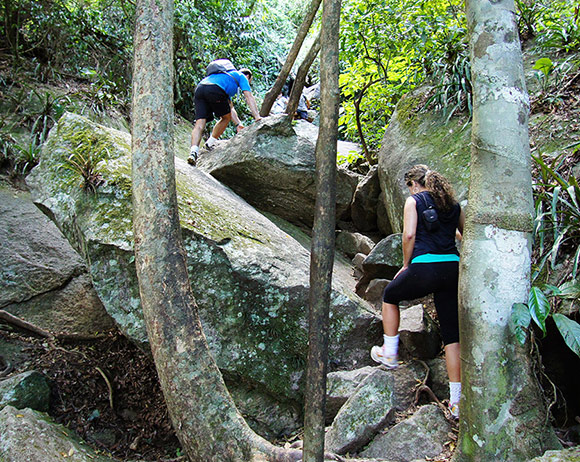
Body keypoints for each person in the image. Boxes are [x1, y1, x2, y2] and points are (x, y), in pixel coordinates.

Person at [370, 164, 465, 419]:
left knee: (390, 295)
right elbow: (461, 234)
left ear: (413, 184)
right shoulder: (451, 205)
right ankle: (457, 403)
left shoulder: (414, 201)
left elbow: (409, 235)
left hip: (425, 267)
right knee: (452, 335)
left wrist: (405, 265)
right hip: (452, 270)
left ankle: (389, 352)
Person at [188, 66, 261, 166]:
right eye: (249, 81)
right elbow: (249, 97)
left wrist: (238, 124)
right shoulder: (241, 76)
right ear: (247, 76)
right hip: (215, 90)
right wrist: (257, 117)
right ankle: (209, 144)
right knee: (225, 118)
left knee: (200, 123)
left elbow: (230, 108)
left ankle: (193, 152)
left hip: (200, 88)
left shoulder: (224, 77)